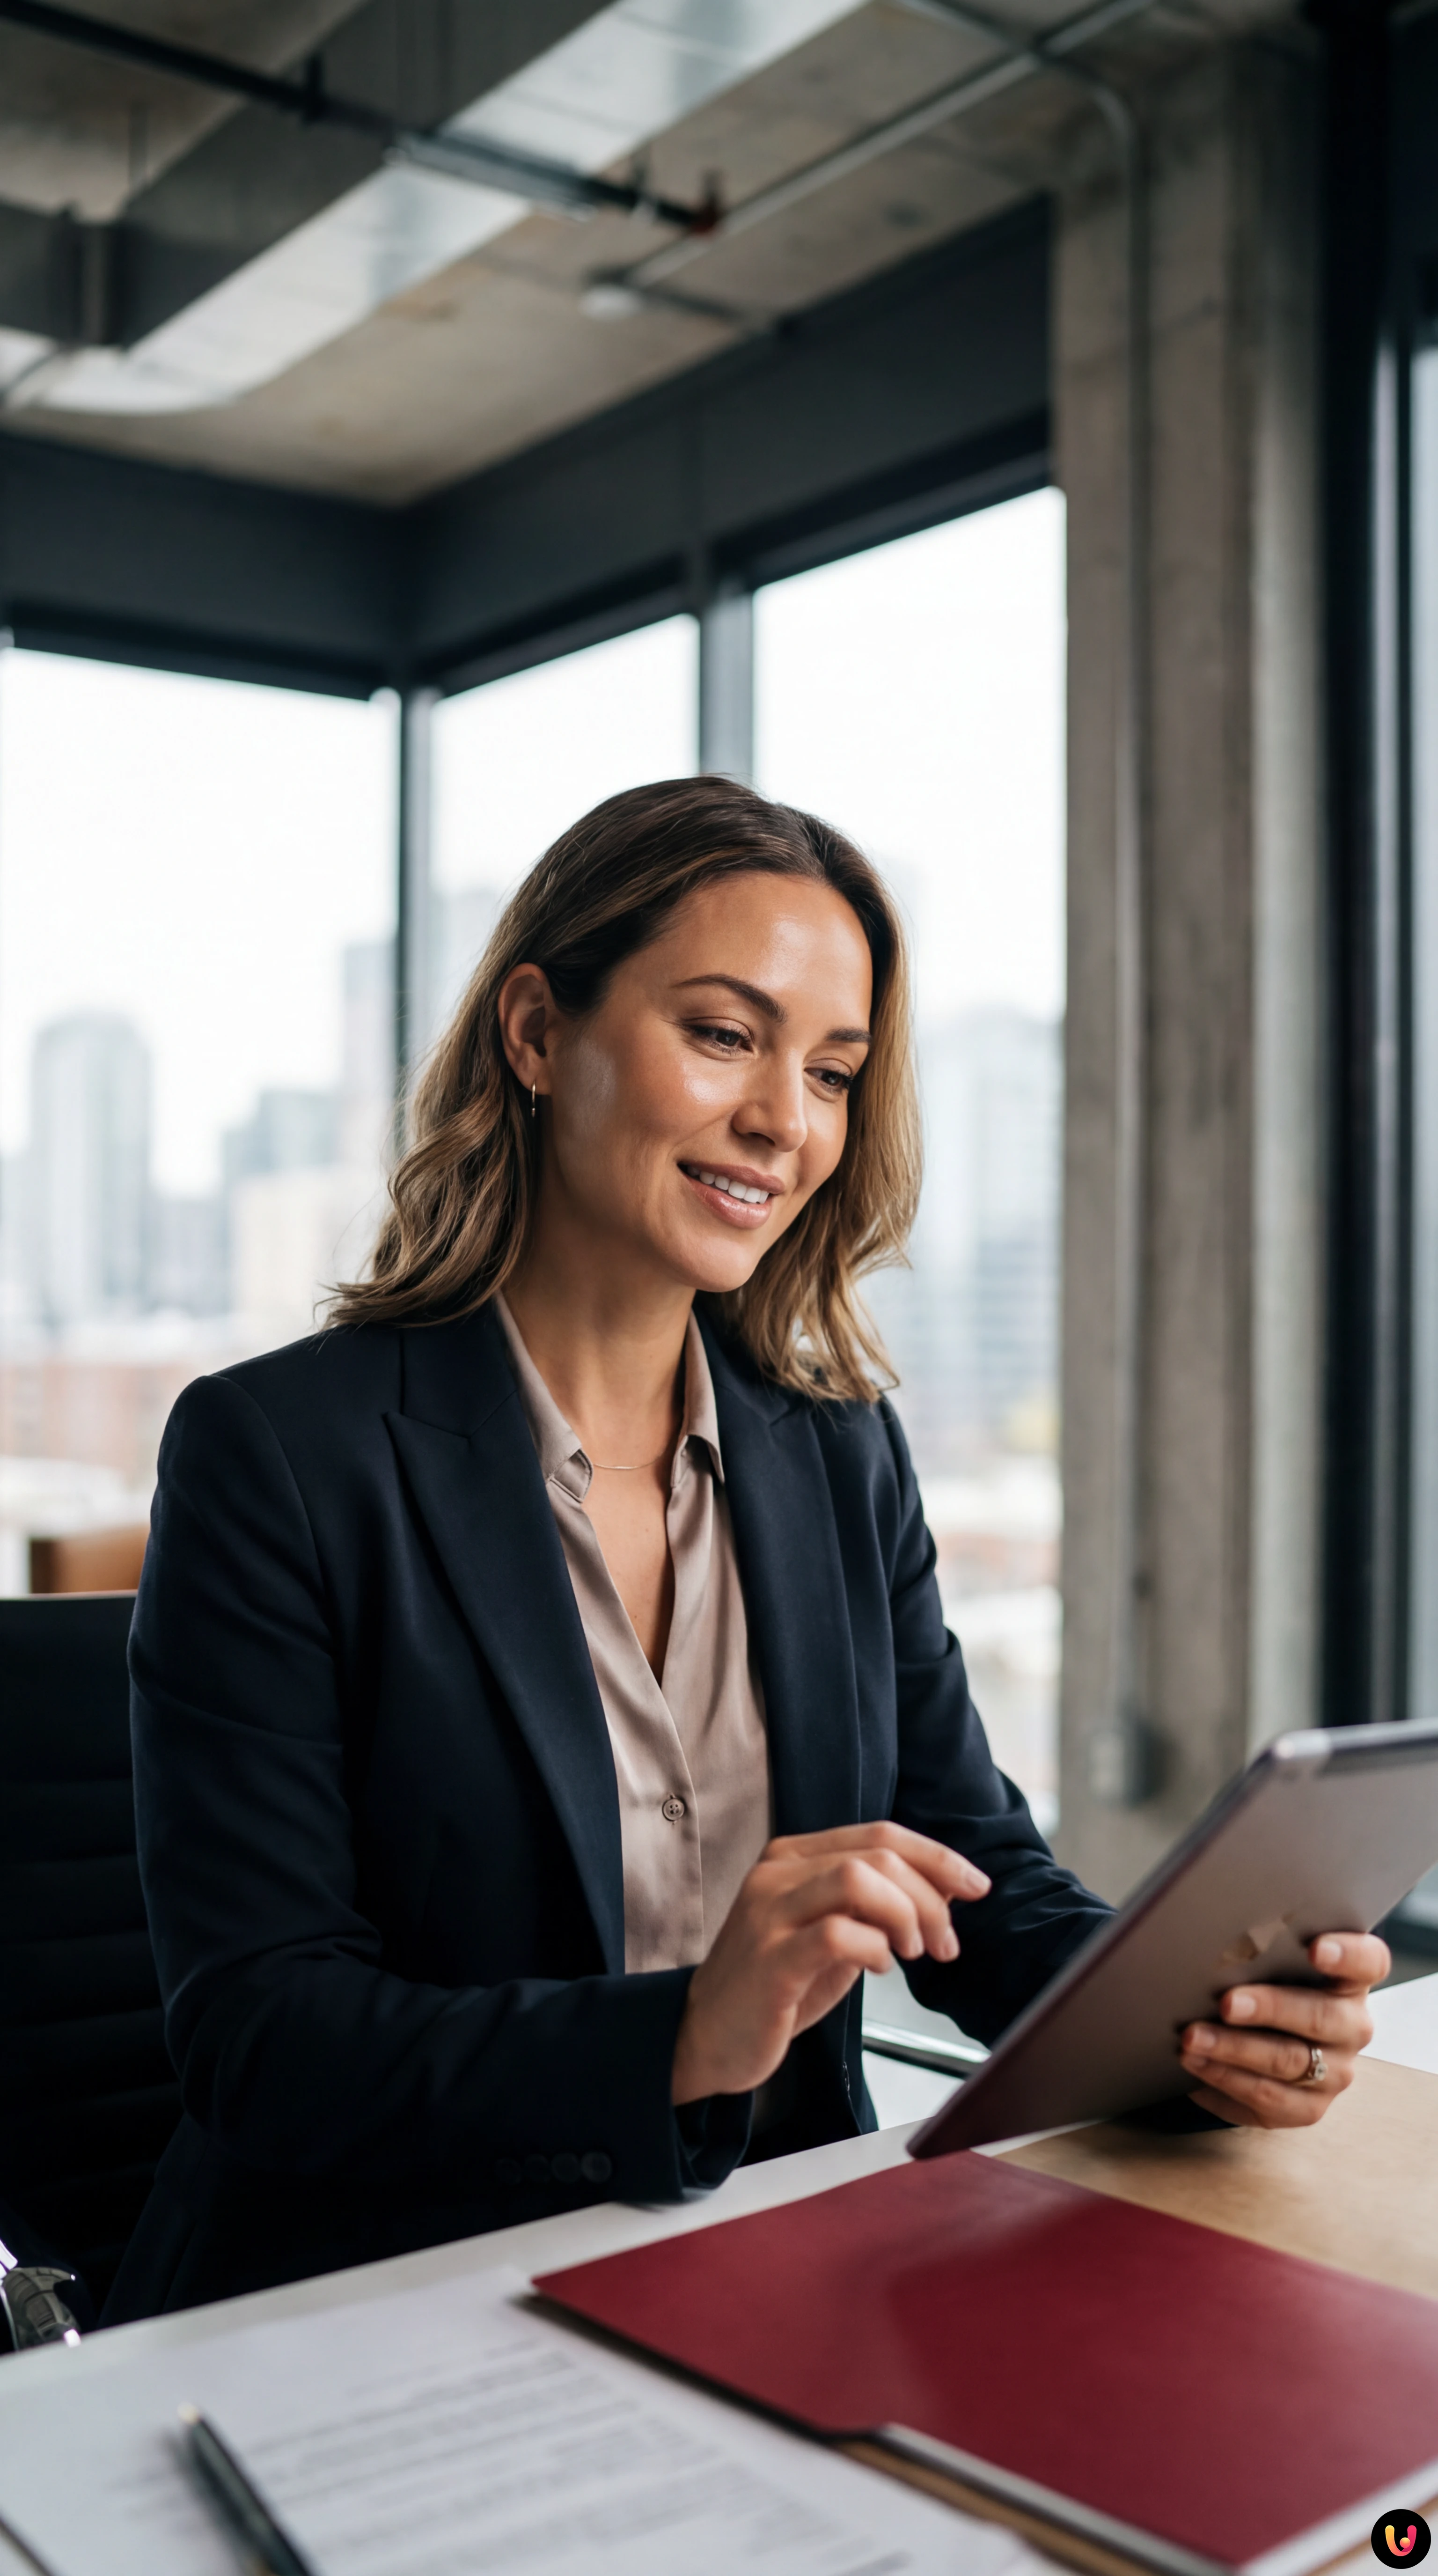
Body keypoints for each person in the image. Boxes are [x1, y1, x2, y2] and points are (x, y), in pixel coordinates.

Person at [106, 778, 1388, 2321]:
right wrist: (684, 2036)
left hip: (771, 2265)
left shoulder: (836, 1451)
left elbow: (973, 1879)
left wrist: (1201, 2020)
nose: (787, 1121)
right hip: (379, 2302)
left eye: (834, 1071)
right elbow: (262, 2038)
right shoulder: (279, 1455)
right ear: (536, 1033)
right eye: (724, 1035)